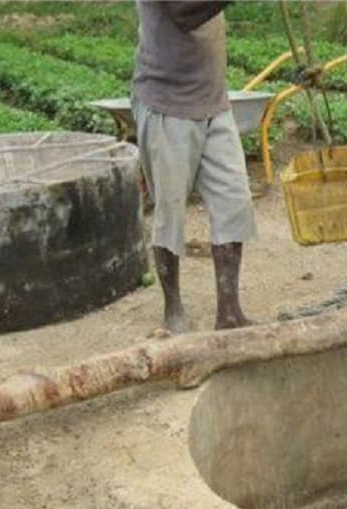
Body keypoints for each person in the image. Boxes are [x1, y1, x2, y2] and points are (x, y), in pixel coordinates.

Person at [131, 0, 256, 334]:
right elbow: (184, 13)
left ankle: (229, 312)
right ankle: (173, 310)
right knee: (170, 213)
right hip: (167, 103)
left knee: (234, 203)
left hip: (213, 99)